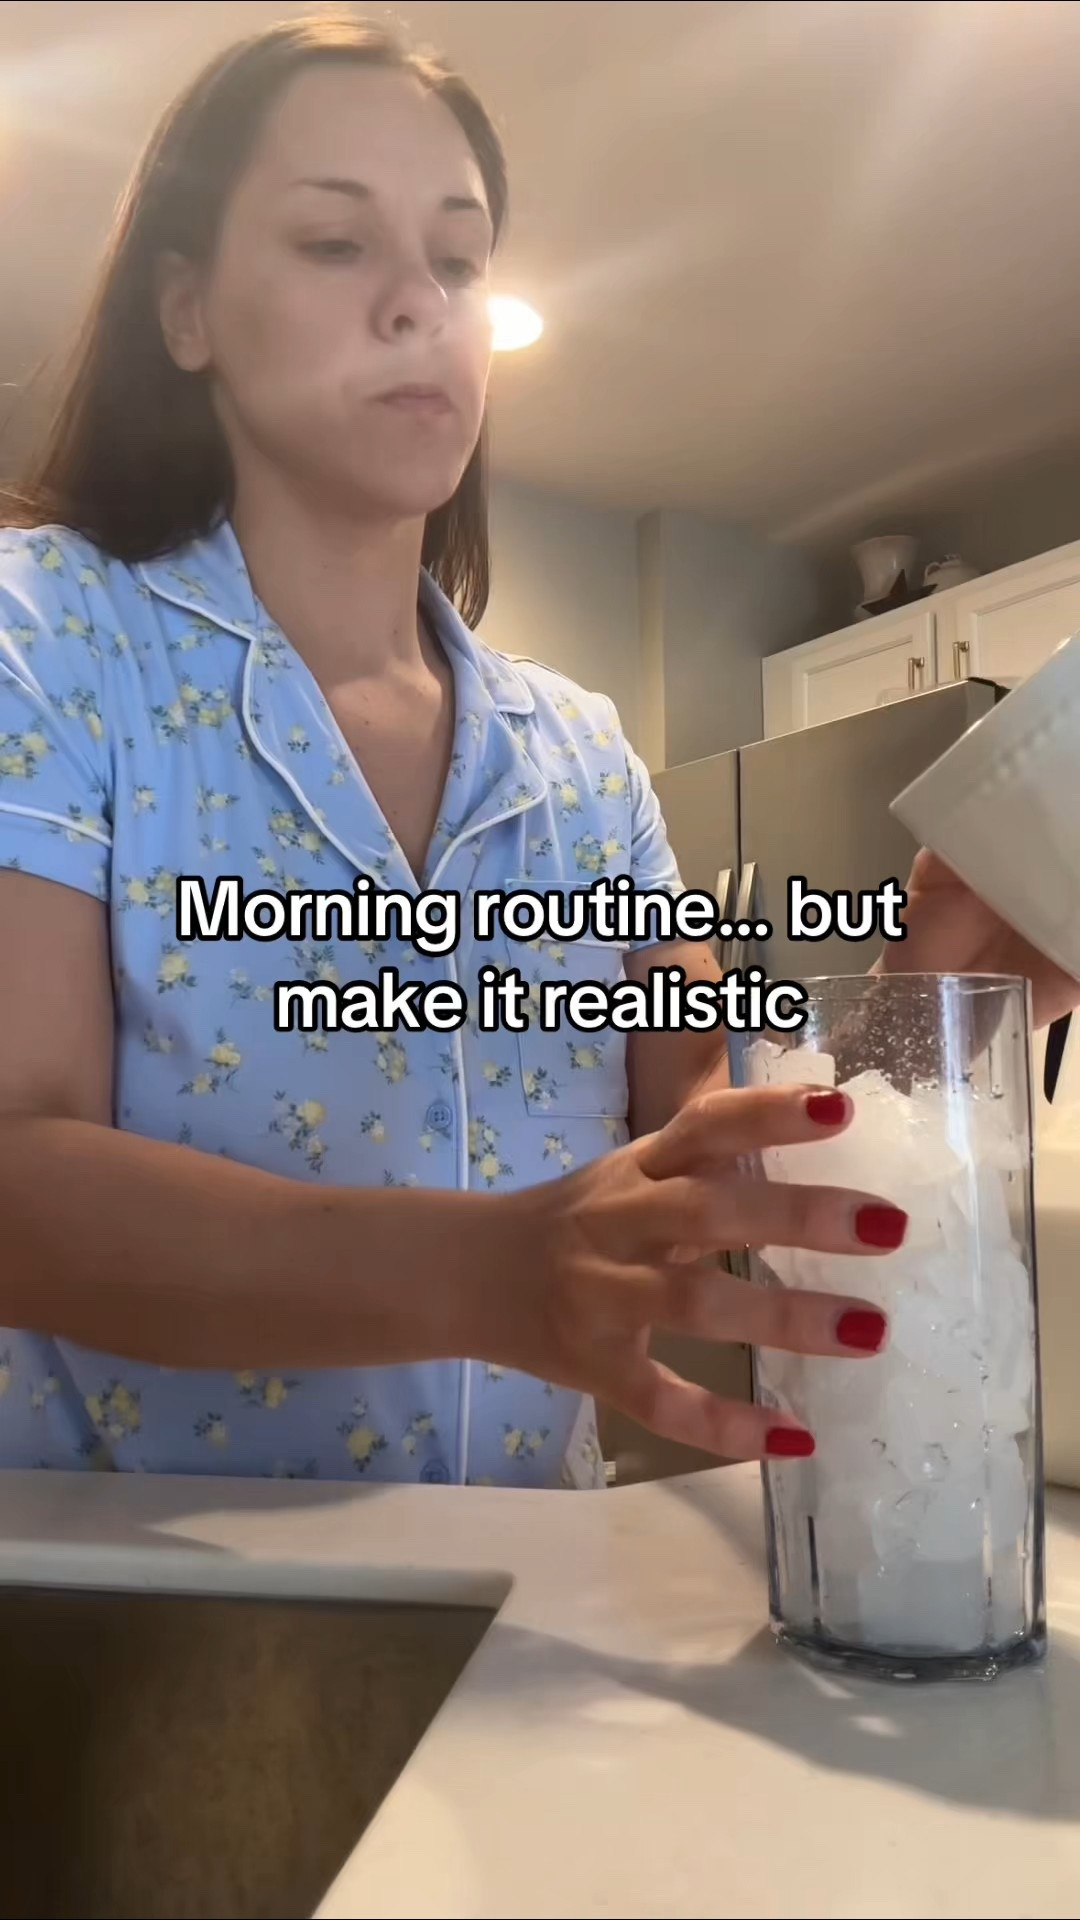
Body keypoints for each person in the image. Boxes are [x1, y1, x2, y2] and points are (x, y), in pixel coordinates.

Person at [0, 15, 1072, 1487]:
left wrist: (923, 1001)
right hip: (139, 1630)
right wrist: (498, 1271)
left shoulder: (582, 755)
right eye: (334, 244)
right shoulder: (45, 635)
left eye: (457, 258)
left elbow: (699, 1138)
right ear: (184, 310)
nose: (419, 304)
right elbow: (16, 1170)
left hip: (539, 1613)